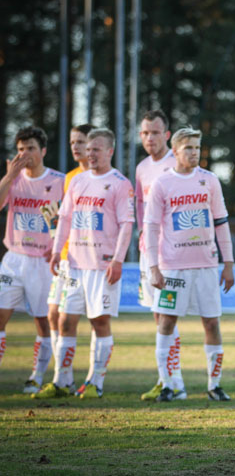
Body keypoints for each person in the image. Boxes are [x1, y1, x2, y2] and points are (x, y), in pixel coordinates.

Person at [34, 128, 134, 399]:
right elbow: (64, 218)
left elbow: (127, 224)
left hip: (102, 266)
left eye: (96, 149)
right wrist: (57, 252)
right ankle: (61, 381)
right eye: (88, 149)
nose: (90, 154)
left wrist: (117, 259)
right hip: (74, 264)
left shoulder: (120, 183)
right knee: (65, 320)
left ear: (110, 151)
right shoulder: (76, 182)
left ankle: (95, 383)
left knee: (99, 322)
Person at [144, 128, 235, 402]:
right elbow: (149, 227)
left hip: (206, 266)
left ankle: (214, 385)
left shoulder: (210, 180)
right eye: (188, 148)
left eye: (197, 147)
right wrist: (153, 267)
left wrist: (228, 263)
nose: (194, 152)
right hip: (173, 267)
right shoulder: (162, 183)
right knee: (167, 322)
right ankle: (169, 384)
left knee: (211, 323)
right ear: (175, 151)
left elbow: (221, 222)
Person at [0, 127, 64, 392]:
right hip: (13, 258)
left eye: (31, 148)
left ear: (43, 151)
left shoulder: (59, 181)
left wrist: (59, 246)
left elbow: (65, 219)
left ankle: (36, 375)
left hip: (42, 261)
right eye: (21, 149)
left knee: (41, 319)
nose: (25, 154)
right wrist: (10, 175)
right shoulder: (13, 179)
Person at [136, 111, 183, 401]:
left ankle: (173, 381)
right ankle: (167, 378)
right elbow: (143, 213)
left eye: (155, 132)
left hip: (172, 252)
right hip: (148, 251)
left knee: (167, 316)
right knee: (158, 316)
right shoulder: (142, 168)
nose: (149, 138)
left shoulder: (174, 164)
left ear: (166, 134)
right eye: (144, 133)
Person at [44, 124, 91, 395]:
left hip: (88, 260)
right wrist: (55, 238)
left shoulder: (104, 178)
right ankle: (63, 374)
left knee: (94, 319)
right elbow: (65, 218)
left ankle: (91, 377)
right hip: (65, 258)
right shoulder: (70, 177)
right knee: (53, 314)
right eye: (73, 141)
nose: (76, 147)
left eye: (81, 141)